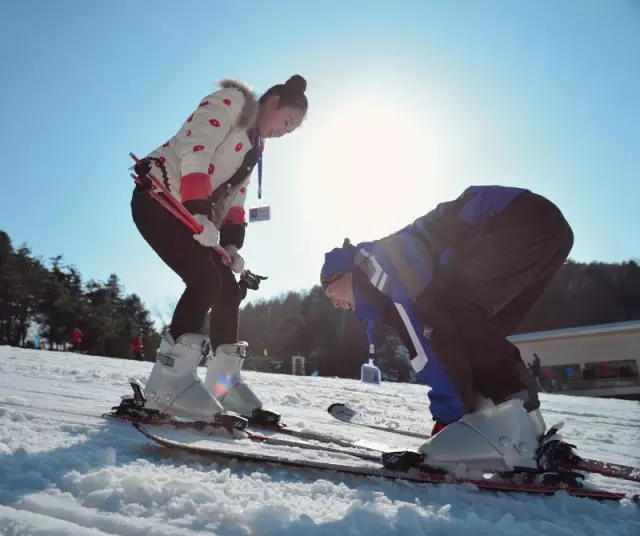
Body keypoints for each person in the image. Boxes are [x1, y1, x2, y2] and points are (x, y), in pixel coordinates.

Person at [319, 185, 573, 473]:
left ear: (343, 273)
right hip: (549, 229)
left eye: (329, 291)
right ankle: (525, 425)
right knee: (476, 328)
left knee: (447, 313)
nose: (334, 303)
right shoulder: (380, 275)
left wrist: (448, 416)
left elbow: (424, 351)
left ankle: (505, 429)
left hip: (512, 218)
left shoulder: (375, 266)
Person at [131, 75, 308, 426]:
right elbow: (197, 148)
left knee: (228, 290)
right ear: (272, 102)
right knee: (204, 281)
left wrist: (231, 243)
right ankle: (168, 383)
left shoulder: (256, 146)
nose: (285, 132)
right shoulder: (233, 103)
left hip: (192, 218)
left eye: (292, 130)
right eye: (287, 122)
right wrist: (198, 208)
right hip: (159, 199)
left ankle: (223, 385)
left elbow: (236, 199)